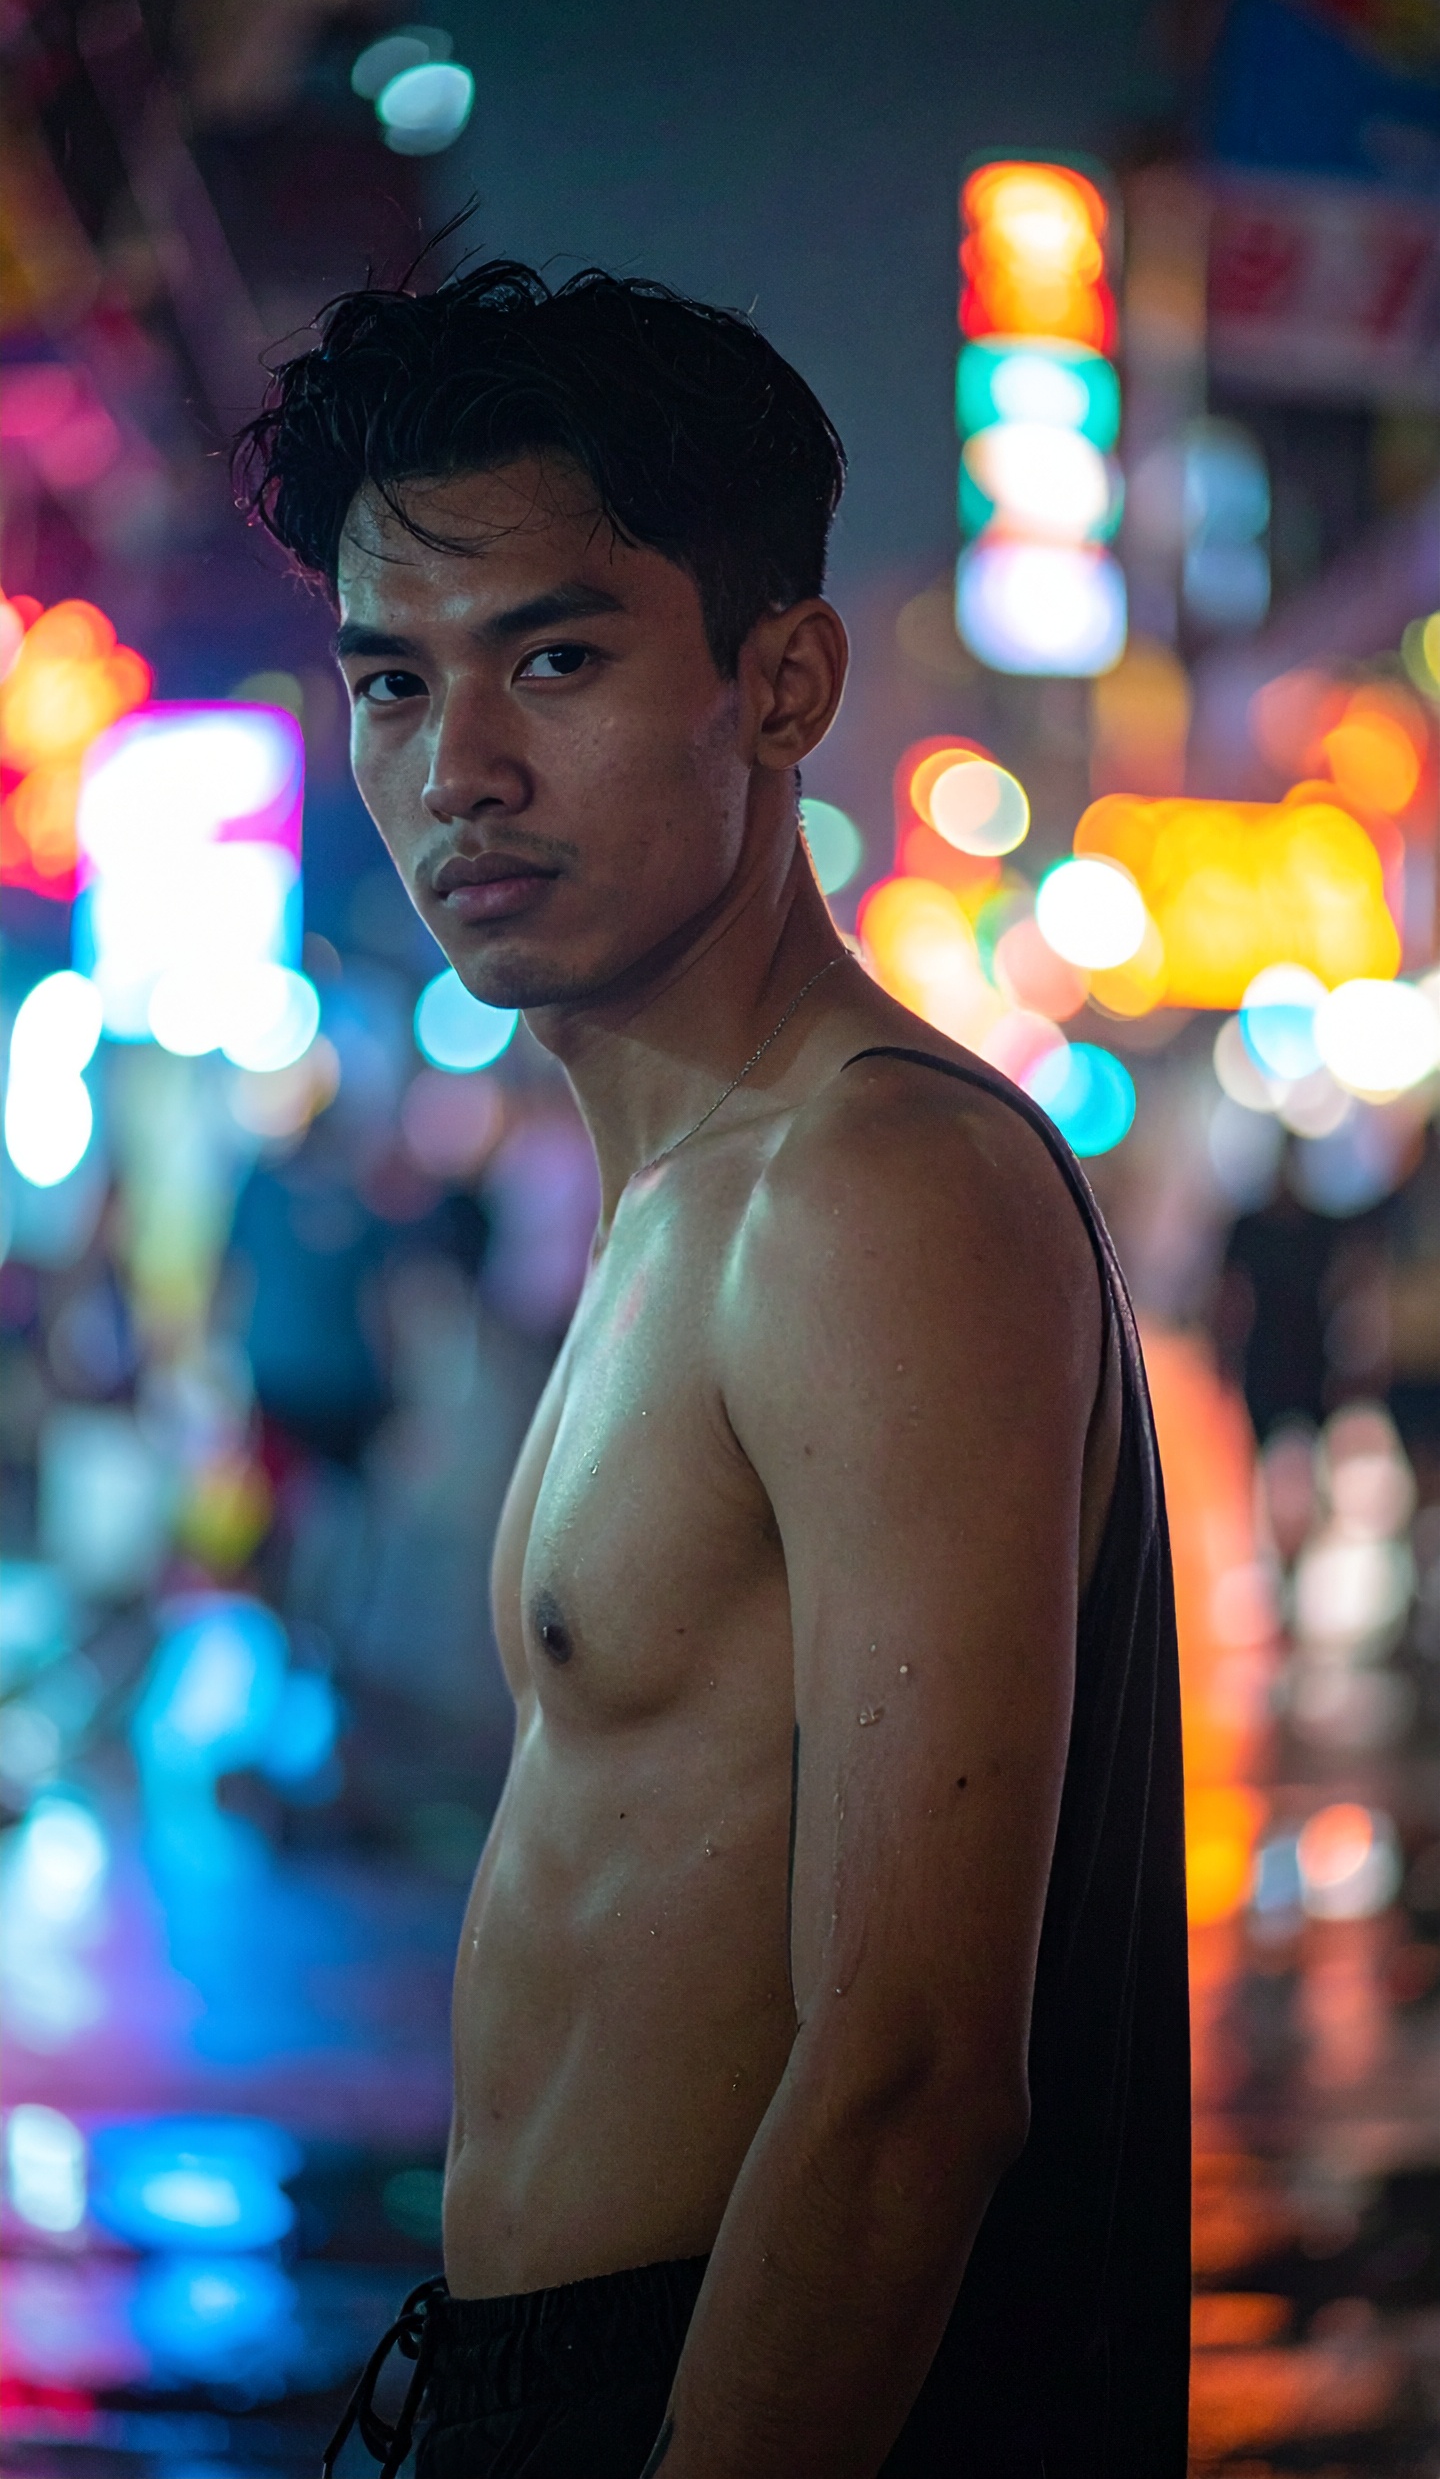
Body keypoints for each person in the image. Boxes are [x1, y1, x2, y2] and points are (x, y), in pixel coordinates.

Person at [236, 260, 1190, 2479]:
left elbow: (911, 2065)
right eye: (393, 679)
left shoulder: (871, 1191)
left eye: (555, 657)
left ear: (780, 683)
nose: (455, 766)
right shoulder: (695, 1191)